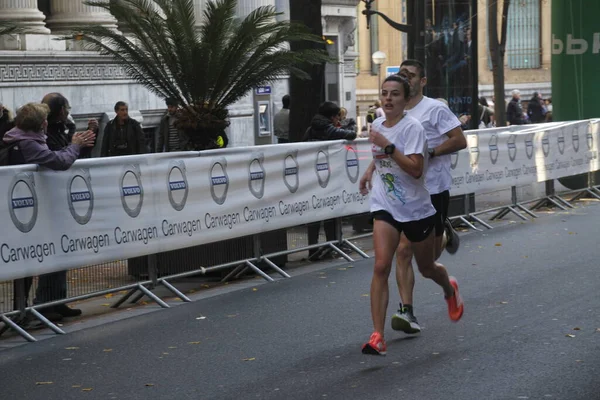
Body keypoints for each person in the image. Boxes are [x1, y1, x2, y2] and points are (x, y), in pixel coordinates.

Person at [360, 74, 463, 356]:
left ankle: (449, 288)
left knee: (427, 267)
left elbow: (416, 169)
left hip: (416, 208)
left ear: (406, 100)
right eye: (385, 93)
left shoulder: (413, 128)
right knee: (382, 265)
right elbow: (380, 155)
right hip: (386, 203)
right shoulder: (377, 125)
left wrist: (388, 146)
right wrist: (370, 171)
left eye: (395, 94)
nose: (388, 98)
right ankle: (378, 336)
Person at [4, 103, 95, 321]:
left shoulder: (25, 139)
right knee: (23, 262)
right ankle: (21, 312)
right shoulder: (27, 143)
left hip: (34, 209)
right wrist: (75, 145)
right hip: (24, 212)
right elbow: (59, 161)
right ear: (41, 123)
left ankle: (41, 305)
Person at [303, 101, 357, 259]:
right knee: (332, 210)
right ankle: (333, 244)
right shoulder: (327, 128)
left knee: (315, 213)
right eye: (337, 117)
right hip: (330, 176)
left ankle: (313, 248)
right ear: (333, 117)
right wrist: (349, 124)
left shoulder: (312, 128)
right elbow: (351, 135)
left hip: (313, 177)